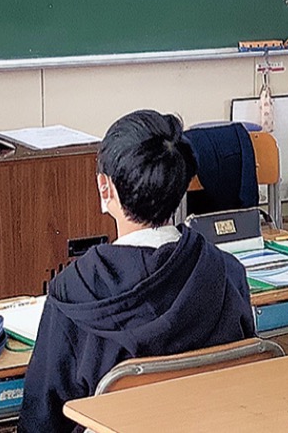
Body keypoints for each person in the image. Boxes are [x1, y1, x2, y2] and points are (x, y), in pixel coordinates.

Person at [18, 110, 255, 433]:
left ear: (106, 189)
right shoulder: (227, 271)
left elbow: (42, 419)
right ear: (183, 185)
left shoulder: (73, 291)